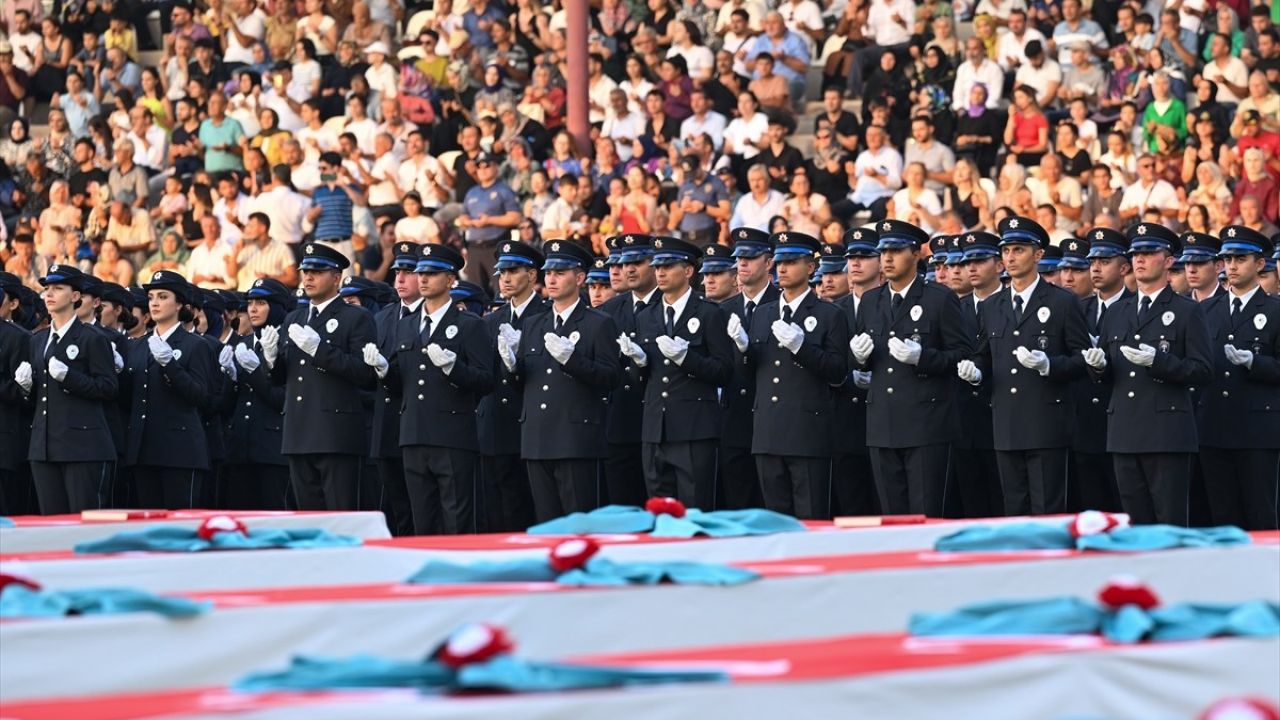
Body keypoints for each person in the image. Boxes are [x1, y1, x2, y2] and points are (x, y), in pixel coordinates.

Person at [958, 216, 1090, 516]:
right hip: (1006, 423)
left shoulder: (1062, 302)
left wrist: (1050, 365)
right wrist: (976, 372)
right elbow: (984, 354)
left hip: (1047, 423)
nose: (1011, 257)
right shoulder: (994, 305)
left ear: (1038, 254)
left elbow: (1083, 359)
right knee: (1015, 510)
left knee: (1048, 509)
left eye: (1019, 249)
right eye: (1006, 250)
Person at [1083, 223, 1213, 526]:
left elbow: (1204, 371)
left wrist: (1160, 362)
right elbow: (1107, 375)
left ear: (1169, 261)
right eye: (1136, 253)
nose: (1139, 259)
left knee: (1169, 522)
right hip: (1124, 431)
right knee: (1135, 524)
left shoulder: (1186, 311)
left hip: (1166, 432)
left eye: (1148, 253)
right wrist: (1098, 367)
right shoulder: (1118, 312)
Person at [851, 220, 976, 517]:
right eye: (883, 252)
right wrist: (857, 358)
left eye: (895, 251)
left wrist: (923, 357)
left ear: (916, 254)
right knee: (892, 518)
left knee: (927, 514)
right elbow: (864, 357)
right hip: (883, 423)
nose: (887, 259)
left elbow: (962, 355)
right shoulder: (871, 300)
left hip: (926, 424)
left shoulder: (938, 298)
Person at [371, 243, 492, 535]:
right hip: (412, 434)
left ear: (450, 280)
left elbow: (486, 380)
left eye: (432, 274)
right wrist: (385, 371)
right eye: (419, 272)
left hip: (451, 435)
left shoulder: (469, 324)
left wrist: (455, 369)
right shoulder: (407, 325)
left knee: (456, 519)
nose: (422, 279)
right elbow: (401, 381)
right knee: (422, 518)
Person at [498, 239, 621, 521]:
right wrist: (511, 367)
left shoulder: (598, 322)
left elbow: (610, 377)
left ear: (579, 278)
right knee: (547, 520)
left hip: (575, 438)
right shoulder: (534, 324)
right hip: (537, 438)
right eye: (548, 272)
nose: (551, 279)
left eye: (560, 272)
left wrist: (573, 361)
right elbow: (524, 382)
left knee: (579, 523)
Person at [729, 231, 846, 518]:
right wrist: (742, 350)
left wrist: (802, 348)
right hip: (768, 431)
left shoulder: (829, 314)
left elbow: (838, 373)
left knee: (811, 517)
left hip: (807, 433)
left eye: (791, 262)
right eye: (779, 261)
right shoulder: (764, 313)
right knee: (775, 519)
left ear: (810, 268)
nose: (782, 268)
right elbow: (749, 374)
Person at [616, 237, 733, 509]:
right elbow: (640, 380)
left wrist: (687, 359)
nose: (660, 273)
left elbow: (724, 371)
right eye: (657, 267)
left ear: (689, 271)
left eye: (668, 267)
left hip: (694, 429)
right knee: (660, 510)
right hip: (655, 428)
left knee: (695, 508)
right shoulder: (647, 315)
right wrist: (639, 363)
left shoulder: (708, 313)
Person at [266, 243, 378, 511]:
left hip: (335, 433)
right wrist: (271, 360)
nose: (308, 278)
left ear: (337, 277)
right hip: (298, 429)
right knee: (308, 517)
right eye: (305, 271)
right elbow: (283, 377)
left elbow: (364, 374)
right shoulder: (294, 317)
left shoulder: (355, 317)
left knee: (340, 515)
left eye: (317, 271)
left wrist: (320, 350)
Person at [1195, 226, 1279, 530]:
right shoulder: (1207, 309)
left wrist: (1256, 363)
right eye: (1227, 258)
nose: (1231, 265)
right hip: (1214, 427)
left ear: (1259, 264)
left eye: (1240, 258)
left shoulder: (1274, 309)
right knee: (1222, 517)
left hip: (1257, 431)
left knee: (1260, 515)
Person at [17, 264, 117, 514]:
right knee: (52, 526)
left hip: (82, 447)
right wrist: (26, 388)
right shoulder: (37, 340)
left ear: (75, 297)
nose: (49, 294)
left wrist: (70, 377)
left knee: (84, 523)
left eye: (58, 288)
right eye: (47, 289)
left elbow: (108, 388)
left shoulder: (92, 338)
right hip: (44, 447)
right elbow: (39, 400)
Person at [119, 270, 214, 509]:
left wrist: (171, 366)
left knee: (182, 525)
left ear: (179, 303)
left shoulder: (195, 345)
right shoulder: (138, 345)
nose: (155, 303)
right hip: (143, 450)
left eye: (163, 297)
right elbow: (129, 398)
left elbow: (201, 396)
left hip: (179, 451)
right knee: (149, 526)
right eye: (151, 297)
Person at [477, 241, 550, 532]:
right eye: (501, 272)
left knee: (529, 510)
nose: (504, 278)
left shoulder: (545, 315)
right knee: (497, 513)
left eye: (513, 271)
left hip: (530, 425)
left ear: (532, 276)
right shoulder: (492, 320)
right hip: (495, 427)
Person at [363, 242, 422, 536]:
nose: (399, 278)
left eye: (408, 271)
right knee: (395, 507)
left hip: (419, 424)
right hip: (386, 425)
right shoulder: (383, 317)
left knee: (421, 507)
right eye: (398, 271)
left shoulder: (429, 316)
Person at [597, 234, 659, 507]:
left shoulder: (670, 304)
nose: (628, 269)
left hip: (663, 424)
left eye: (638, 262)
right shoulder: (609, 310)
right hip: (620, 423)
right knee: (623, 512)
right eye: (624, 263)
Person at [457, 152, 521, 294]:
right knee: (474, 293)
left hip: (496, 247)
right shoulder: (472, 192)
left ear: (496, 168)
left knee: (503, 291)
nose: (483, 169)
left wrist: (490, 220)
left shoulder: (504, 190)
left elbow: (516, 218)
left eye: (487, 165)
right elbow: (463, 215)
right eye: (479, 166)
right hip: (474, 247)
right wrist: (465, 221)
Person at [1181, 233, 1227, 302]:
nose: (1191, 270)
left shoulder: (1231, 304)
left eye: (1199, 262)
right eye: (1187, 263)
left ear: (1218, 266)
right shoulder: (1179, 303)